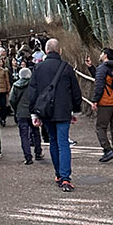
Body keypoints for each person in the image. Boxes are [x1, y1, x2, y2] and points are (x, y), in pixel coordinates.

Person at [28, 39, 82, 192]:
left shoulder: (38, 68)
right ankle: (65, 178)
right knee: (63, 143)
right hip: (63, 111)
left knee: (53, 141)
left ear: (46, 51)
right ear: (60, 51)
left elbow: (32, 93)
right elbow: (76, 92)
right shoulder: (67, 68)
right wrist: (75, 110)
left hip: (46, 112)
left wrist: (34, 113)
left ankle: (58, 174)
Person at [86, 48, 113, 162]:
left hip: (106, 102)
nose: (100, 55)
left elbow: (99, 85)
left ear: (105, 55)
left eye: (102, 53)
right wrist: (91, 68)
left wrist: (95, 100)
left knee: (100, 127)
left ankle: (107, 150)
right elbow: (105, 80)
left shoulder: (103, 68)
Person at [9, 67, 42, 164]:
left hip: (21, 112)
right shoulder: (34, 85)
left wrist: (16, 109)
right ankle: (38, 153)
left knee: (24, 135)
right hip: (33, 112)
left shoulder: (16, 85)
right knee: (36, 132)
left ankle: (28, 157)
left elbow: (12, 99)